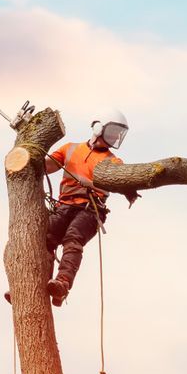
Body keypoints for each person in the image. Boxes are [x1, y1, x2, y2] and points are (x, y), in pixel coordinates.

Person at [41, 110, 127, 306]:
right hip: (64, 206)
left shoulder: (113, 161)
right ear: (98, 127)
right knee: (46, 238)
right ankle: (36, 285)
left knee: (73, 237)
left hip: (90, 209)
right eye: (112, 131)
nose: (114, 137)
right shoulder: (70, 149)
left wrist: (88, 182)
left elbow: (114, 183)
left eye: (117, 134)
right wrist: (33, 156)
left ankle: (62, 284)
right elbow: (48, 166)